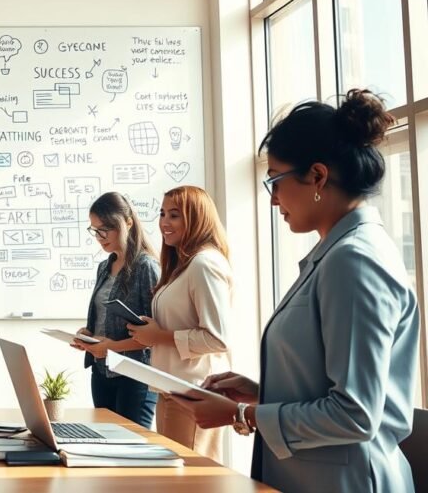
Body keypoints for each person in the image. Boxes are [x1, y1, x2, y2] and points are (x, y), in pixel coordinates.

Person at [170, 90, 419, 492]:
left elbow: (355, 414)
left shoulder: (354, 261)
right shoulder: (337, 253)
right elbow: (331, 383)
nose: (273, 200)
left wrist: (242, 414)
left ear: (318, 176)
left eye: (276, 181)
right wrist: (260, 394)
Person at [125, 185, 232, 463]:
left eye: (175, 215)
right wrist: (153, 330)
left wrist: (159, 336)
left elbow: (217, 339)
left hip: (192, 392)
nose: (164, 222)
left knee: (190, 480)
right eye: (162, 213)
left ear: (196, 218)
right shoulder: (183, 265)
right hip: (171, 389)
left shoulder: (204, 264)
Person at [68, 192, 159, 428]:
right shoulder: (104, 267)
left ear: (127, 223)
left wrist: (110, 348)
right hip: (101, 373)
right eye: (95, 229)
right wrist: (88, 334)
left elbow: (155, 336)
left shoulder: (146, 267)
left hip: (135, 376)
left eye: (105, 228)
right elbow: (103, 319)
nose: (99, 236)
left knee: (132, 451)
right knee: (105, 445)